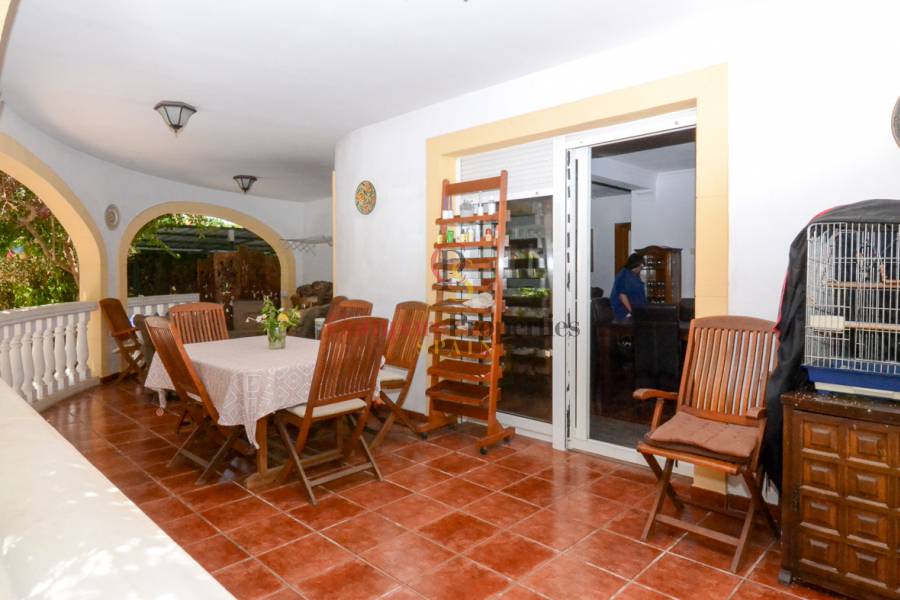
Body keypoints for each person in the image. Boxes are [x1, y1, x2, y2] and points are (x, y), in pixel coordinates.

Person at [610, 253, 646, 320]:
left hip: (636, 311)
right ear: (636, 264)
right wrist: (632, 312)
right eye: (641, 266)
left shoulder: (634, 275)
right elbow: (622, 296)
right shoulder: (623, 275)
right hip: (624, 313)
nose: (641, 269)